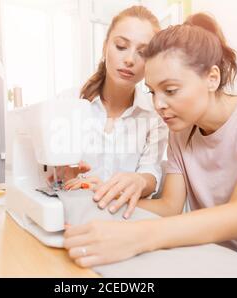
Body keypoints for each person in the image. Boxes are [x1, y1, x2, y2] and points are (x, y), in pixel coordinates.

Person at [64, 13, 237, 277]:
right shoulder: (179, 134)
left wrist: (137, 236)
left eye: (171, 90)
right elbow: (169, 208)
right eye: (153, 92)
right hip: (211, 252)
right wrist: (105, 195)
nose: (158, 105)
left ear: (212, 78)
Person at [55, 6, 168, 220]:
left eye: (142, 53)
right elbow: (51, 172)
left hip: (123, 219)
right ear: (105, 46)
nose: (130, 60)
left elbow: (150, 173)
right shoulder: (67, 103)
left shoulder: (154, 115)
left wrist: (139, 181)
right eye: (121, 46)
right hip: (72, 216)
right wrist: (62, 174)